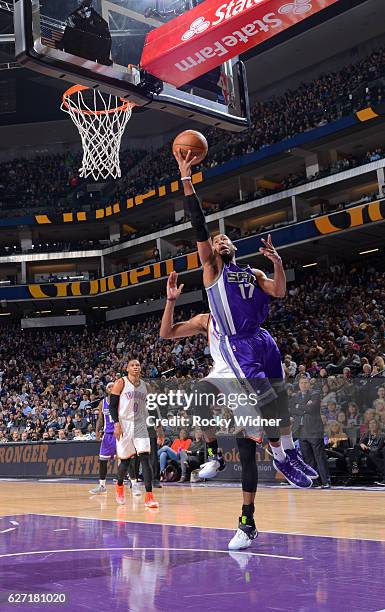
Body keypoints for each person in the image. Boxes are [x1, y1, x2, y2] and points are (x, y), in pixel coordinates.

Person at [173, 149, 316, 489]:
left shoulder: (251, 271)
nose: (220, 240)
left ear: (234, 246)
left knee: (281, 399)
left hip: (263, 339)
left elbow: (279, 292)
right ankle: (280, 457)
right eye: (216, 240)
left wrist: (278, 263)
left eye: (225, 238)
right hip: (238, 345)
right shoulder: (212, 270)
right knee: (265, 403)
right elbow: (199, 224)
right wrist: (186, 178)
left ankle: (290, 450)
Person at [160, 272, 266, 550]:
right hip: (221, 374)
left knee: (247, 455)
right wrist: (171, 302)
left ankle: (247, 523)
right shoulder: (206, 320)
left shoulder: (245, 313)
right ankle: (213, 453)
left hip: (247, 378)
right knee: (198, 392)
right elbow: (166, 333)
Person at [109, 359, 159, 509]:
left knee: (145, 457)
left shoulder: (146, 386)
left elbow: (152, 406)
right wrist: (116, 424)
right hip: (124, 423)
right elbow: (112, 405)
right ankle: (119, 487)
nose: (136, 367)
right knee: (125, 461)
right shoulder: (121, 383)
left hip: (140, 423)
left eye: (138, 365)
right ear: (127, 368)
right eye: (133, 365)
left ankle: (149, 496)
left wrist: (158, 425)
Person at [291, 378, 330, 488]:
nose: (303, 385)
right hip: (301, 430)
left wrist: (299, 406)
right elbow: (292, 409)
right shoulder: (295, 396)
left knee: (320, 457)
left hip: (314, 430)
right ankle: (314, 482)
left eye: (305, 383)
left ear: (309, 384)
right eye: (301, 383)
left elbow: (312, 408)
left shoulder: (315, 394)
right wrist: (304, 407)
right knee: (308, 459)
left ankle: (326, 481)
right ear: (298, 384)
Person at [89, 382, 119, 495]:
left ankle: (131, 481)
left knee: (124, 459)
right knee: (102, 460)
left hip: (119, 433)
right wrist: (97, 431)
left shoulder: (121, 401)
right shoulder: (103, 403)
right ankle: (102, 485)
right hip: (107, 435)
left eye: (113, 386)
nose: (111, 388)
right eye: (109, 387)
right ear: (107, 390)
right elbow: (100, 419)